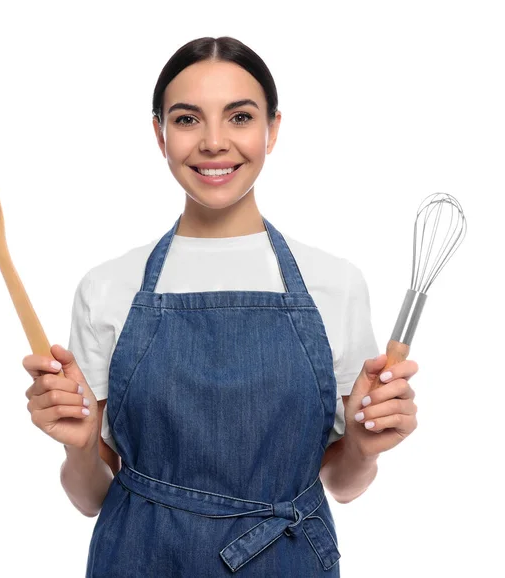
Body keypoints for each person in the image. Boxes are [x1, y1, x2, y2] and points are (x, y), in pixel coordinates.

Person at [23, 36, 419, 577]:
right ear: (159, 134)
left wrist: (365, 448)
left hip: (288, 557)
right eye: (187, 120)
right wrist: (80, 446)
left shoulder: (337, 284)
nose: (214, 142)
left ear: (272, 129)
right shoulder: (108, 287)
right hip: (140, 559)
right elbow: (92, 497)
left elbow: (343, 486)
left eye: (239, 117)